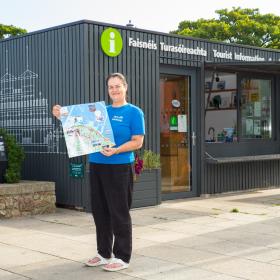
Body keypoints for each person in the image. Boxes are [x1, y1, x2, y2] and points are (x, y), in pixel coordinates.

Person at [52, 73, 145, 272]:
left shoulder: (134, 112)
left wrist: (117, 150)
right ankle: (103, 253)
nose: (114, 90)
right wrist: (63, 116)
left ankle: (122, 256)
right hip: (96, 165)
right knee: (100, 211)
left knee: (119, 211)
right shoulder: (102, 110)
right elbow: (80, 126)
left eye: (118, 86)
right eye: (111, 87)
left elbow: (138, 141)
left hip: (120, 167)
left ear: (125, 87)